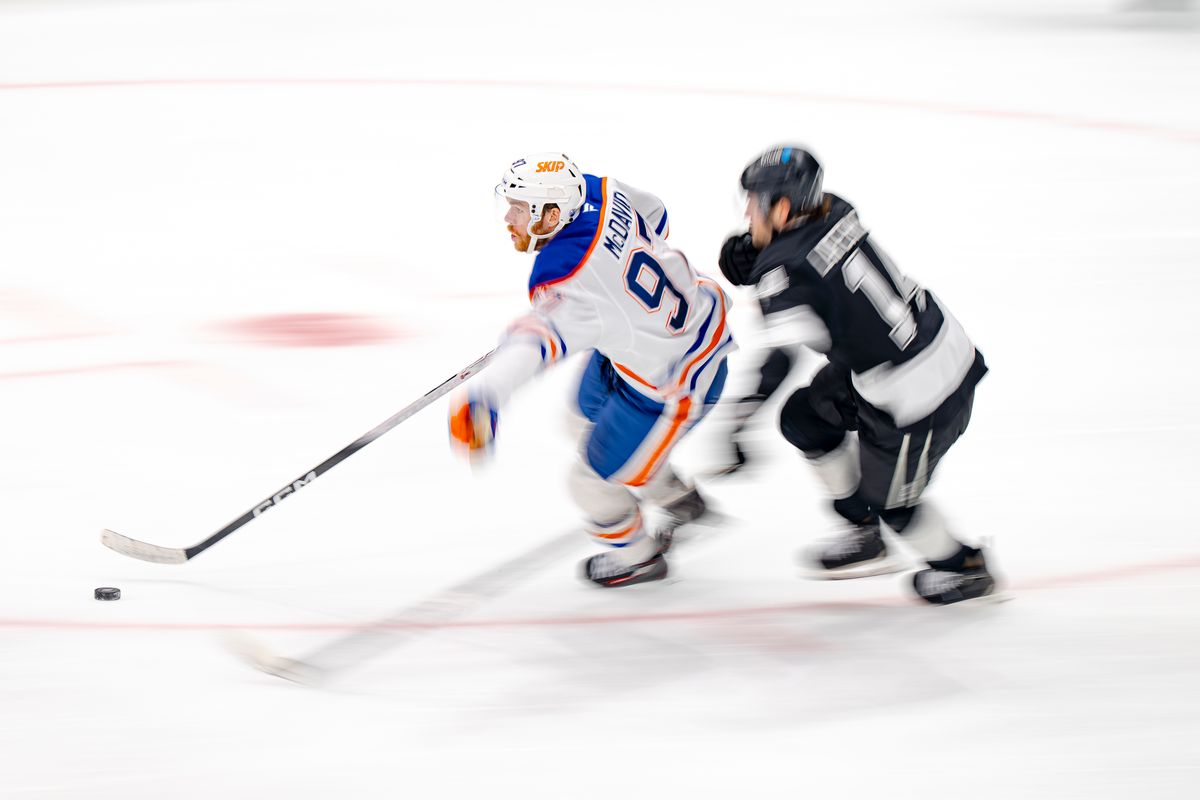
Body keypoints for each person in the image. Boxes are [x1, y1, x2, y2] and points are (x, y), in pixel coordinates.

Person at [716, 145, 994, 605]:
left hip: (922, 395)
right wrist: (762, 253)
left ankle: (965, 568)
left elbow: (780, 358)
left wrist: (736, 420)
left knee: (896, 505)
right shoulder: (834, 208)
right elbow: (804, 256)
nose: (748, 214)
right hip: (909, 349)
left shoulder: (785, 270)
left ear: (782, 208)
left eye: (754, 205)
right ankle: (861, 528)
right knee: (805, 418)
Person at [449, 153, 735, 587]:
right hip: (673, 331)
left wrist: (484, 396)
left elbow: (538, 344)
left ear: (552, 213)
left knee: (589, 486)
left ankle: (639, 557)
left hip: (675, 380)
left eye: (521, 208)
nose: (509, 217)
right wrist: (620, 295)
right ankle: (677, 497)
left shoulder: (567, 276)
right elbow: (655, 213)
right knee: (579, 418)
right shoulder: (600, 190)